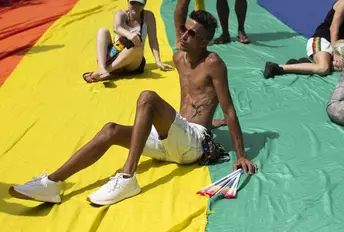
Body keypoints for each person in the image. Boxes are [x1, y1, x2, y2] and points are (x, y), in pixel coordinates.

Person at [10, 11, 258, 206]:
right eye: (185, 29)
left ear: (204, 42)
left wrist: (240, 155)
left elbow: (229, 111)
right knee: (111, 130)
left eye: (192, 34)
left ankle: (128, 177)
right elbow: (192, 99)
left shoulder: (213, 63)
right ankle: (51, 184)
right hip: (172, 141)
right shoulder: (178, 58)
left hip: (193, 145)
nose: (184, 36)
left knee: (148, 98)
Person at [82, 0, 174, 82]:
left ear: (144, 5)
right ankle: (102, 68)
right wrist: (129, 35)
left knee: (137, 49)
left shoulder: (148, 16)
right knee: (102, 31)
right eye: (132, 3)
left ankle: (105, 72)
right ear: (128, 2)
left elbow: (153, 39)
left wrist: (158, 61)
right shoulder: (121, 14)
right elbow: (116, 27)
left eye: (139, 3)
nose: (135, 6)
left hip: (133, 61)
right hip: (117, 54)